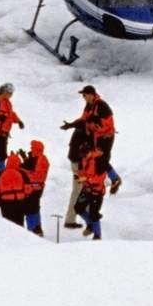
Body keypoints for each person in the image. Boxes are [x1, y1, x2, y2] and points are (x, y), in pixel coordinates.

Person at [60, 85, 114, 229]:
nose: (83, 97)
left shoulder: (97, 110)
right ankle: (76, 220)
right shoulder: (84, 133)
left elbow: (98, 123)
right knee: (80, 191)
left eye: (84, 95)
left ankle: (87, 216)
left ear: (91, 94)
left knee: (84, 190)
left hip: (78, 162)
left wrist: (71, 125)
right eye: (83, 95)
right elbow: (88, 123)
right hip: (78, 164)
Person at [73, 143, 121, 240]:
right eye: (82, 155)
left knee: (94, 214)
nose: (83, 157)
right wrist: (79, 175)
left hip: (96, 192)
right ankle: (90, 224)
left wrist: (85, 179)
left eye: (85, 154)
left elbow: (99, 178)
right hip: (86, 190)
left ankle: (97, 235)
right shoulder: (83, 158)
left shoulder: (99, 161)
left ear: (90, 152)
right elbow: (83, 171)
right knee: (78, 208)